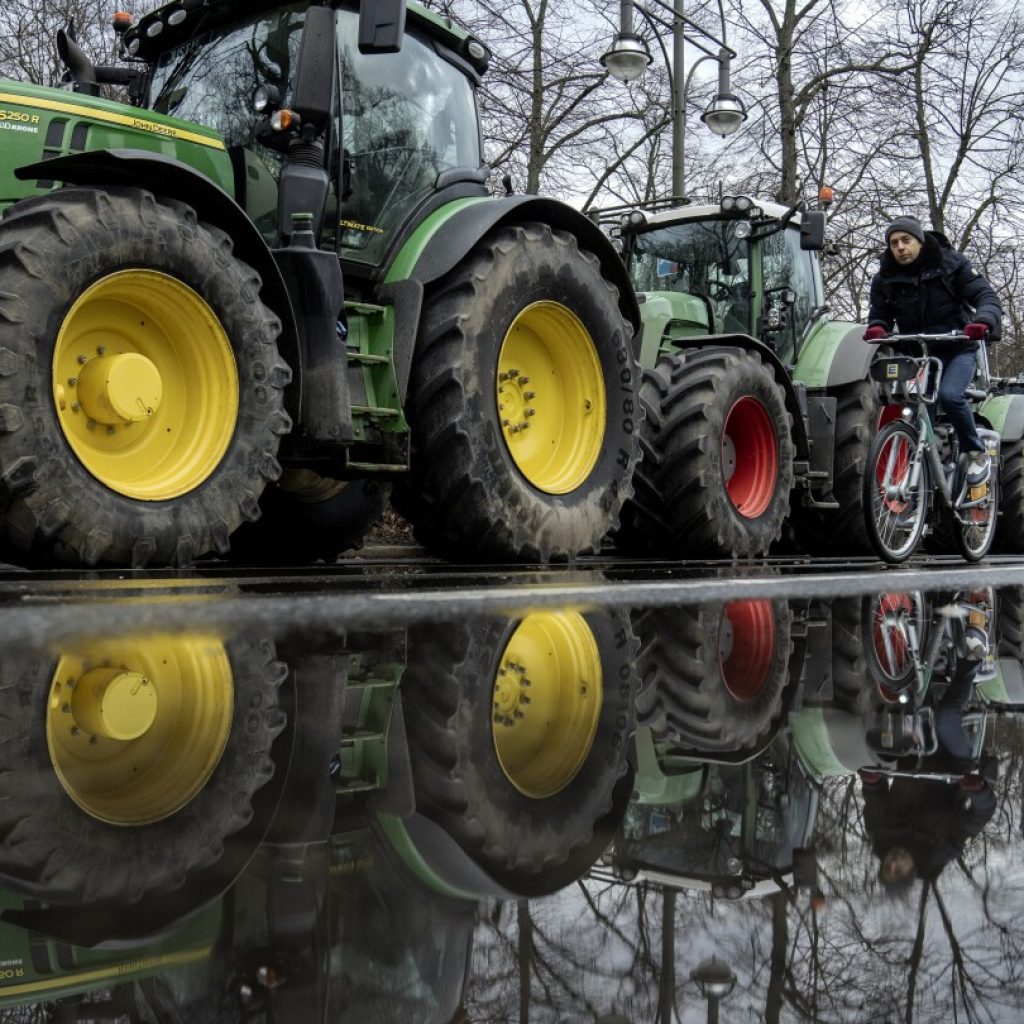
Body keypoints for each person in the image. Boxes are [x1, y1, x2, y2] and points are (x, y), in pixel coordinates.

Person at [863, 215, 1003, 487]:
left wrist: (982, 321)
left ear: (920, 240)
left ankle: (975, 453)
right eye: (894, 243)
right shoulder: (885, 278)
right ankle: (925, 472)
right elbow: (879, 313)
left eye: (906, 240)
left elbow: (986, 297)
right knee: (911, 406)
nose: (900, 247)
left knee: (950, 396)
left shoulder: (951, 265)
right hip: (917, 354)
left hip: (957, 348)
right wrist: (878, 328)